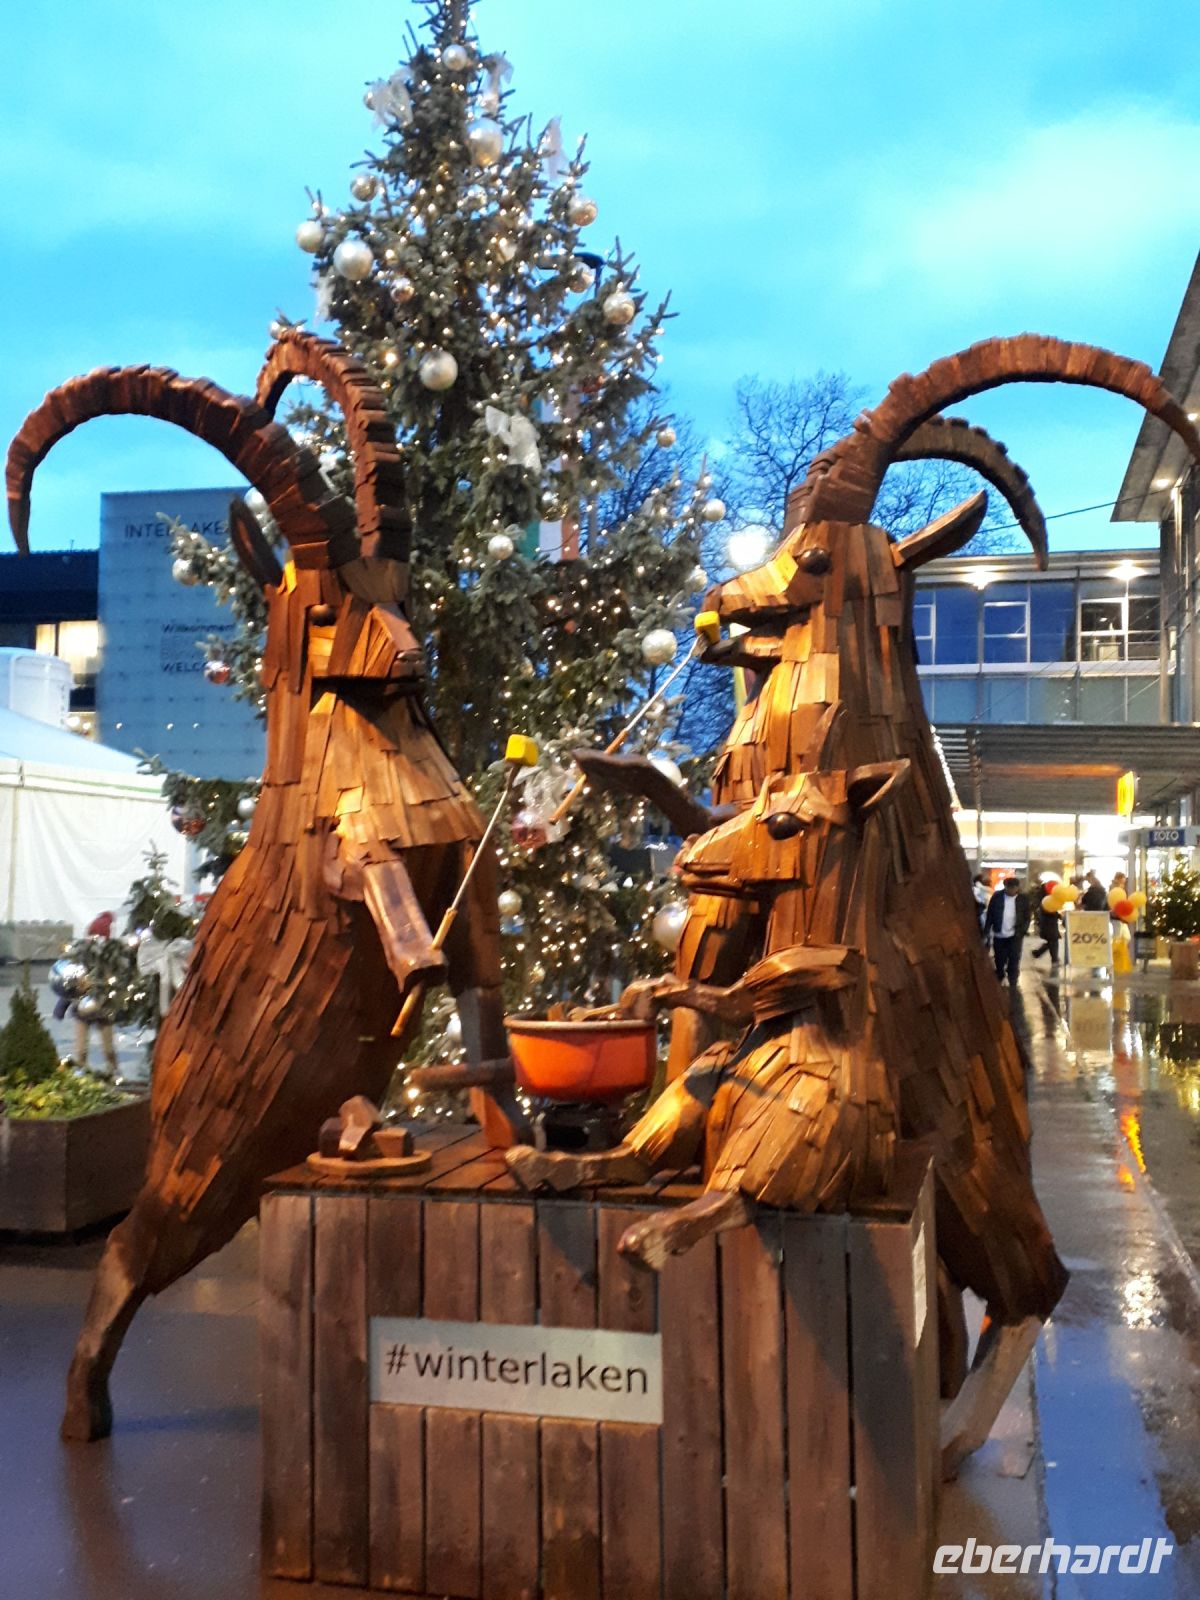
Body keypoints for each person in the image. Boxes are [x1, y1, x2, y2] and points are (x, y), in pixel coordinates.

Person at [985, 876, 1031, 986]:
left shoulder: (1023, 899)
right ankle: (1000, 975)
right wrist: (987, 929)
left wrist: (1022, 931)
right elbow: (990, 913)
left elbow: (1027, 916)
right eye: (1009, 888)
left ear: (1017, 887)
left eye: (1013, 888)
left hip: (1015, 934)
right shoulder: (997, 897)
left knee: (1014, 957)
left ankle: (1013, 980)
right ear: (1005, 887)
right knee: (999, 957)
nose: (1011, 890)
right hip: (999, 933)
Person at [1030, 887, 1061, 968]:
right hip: (1049, 924)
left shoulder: (1043, 898)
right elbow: (1050, 911)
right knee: (1053, 941)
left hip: (1047, 923)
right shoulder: (1047, 900)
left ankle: (1038, 953)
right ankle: (1054, 960)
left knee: (1052, 942)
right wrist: (1058, 915)